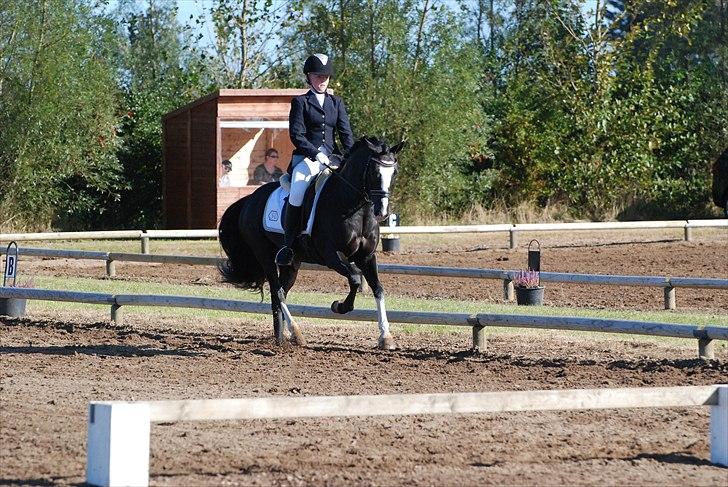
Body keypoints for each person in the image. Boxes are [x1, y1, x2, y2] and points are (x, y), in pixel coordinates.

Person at [275, 53, 354, 266]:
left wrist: (351, 156)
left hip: (332, 157)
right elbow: (296, 135)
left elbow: (346, 134)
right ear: (309, 77)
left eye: (326, 77)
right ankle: (289, 244)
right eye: (318, 76)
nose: (322, 81)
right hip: (307, 159)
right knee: (299, 186)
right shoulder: (301, 102)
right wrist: (315, 153)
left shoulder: (336, 103)